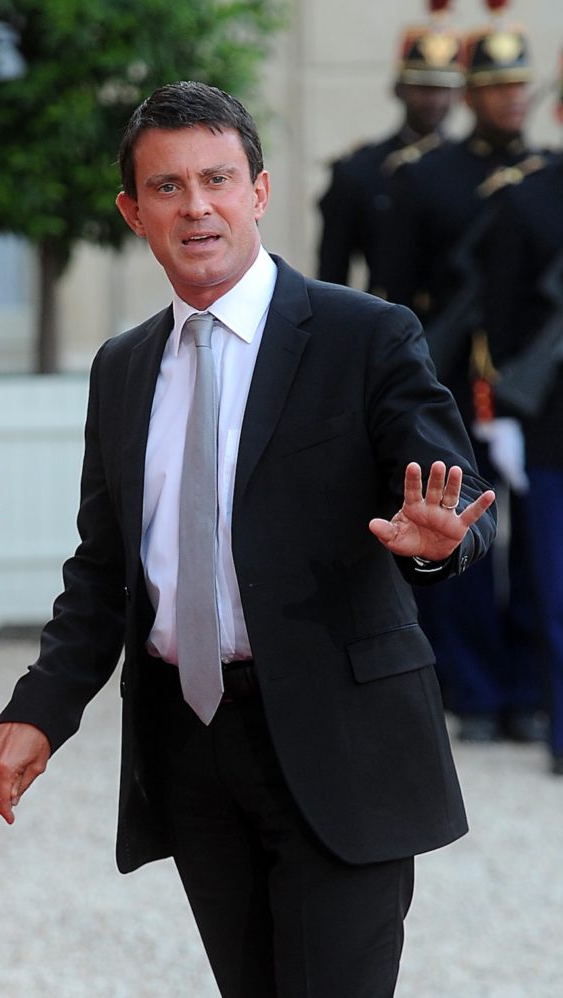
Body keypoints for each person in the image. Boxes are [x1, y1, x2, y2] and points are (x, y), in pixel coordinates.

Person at [0, 80, 496, 997]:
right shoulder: (123, 367)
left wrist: (432, 544)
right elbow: (104, 574)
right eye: (168, 187)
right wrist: (40, 710)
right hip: (192, 748)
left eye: (217, 179)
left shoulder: (365, 335)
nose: (197, 206)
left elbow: (449, 506)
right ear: (132, 211)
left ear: (257, 190)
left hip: (340, 743)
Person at [382, 1, 545, 742]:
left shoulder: (546, 177)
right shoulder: (428, 179)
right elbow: (394, 293)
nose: (511, 97)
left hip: (536, 390)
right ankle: (473, 690)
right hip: (447, 381)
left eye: (520, 85)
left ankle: (529, 687)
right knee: (461, 533)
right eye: (495, 85)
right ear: (470, 93)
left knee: (542, 552)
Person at [481, 63, 563, 774]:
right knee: (555, 590)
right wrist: (499, 416)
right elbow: (499, 325)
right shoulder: (530, 201)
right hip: (552, 435)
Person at [317, 0, 464, 293]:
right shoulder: (360, 171)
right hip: (389, 320)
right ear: (399, 89)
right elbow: (332, 274)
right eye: (423, 88)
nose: (434, 101)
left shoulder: (470, 169)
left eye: (443, 90)